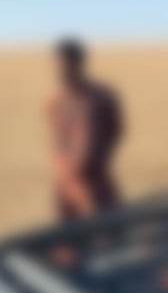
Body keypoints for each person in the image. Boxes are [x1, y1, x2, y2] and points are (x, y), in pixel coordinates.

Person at [46, 38, 125, 221]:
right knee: (67, 234)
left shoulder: (100, 98)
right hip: (66, 187)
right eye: (58, 65)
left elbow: (115, 131)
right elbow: (56, 139)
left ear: (78, 63)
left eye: (66, 65)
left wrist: (92, 163)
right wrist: (65, 171)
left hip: (95, 183)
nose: (62, 70)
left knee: (107, 229)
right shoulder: (55, 101)